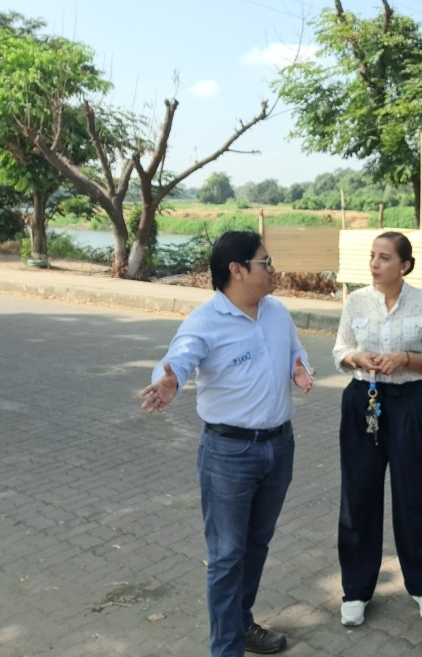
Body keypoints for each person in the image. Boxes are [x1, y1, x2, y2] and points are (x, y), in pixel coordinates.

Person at [140, 231, 314, 657]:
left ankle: (242, 622)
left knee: (256, 545)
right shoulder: (204, 321)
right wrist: (168, 382)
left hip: (279, 446)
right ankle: (226, 649)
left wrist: (300, 369)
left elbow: (296, 350)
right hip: (229, 454)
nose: (272, 270)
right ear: (237, 270)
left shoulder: (277, 312)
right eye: (264, 262)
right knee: (226, 556)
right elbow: (177, 360)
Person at [332, 231, 422, 626]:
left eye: (384, 257)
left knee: (412, 495)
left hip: (408, 404)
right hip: (363, 400)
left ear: (405, 266)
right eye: (372, 256)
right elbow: (340, 349)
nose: (374, 264)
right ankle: (356, 590)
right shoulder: (355, 301)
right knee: (358, 496)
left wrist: (405, 359)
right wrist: (356, 358)